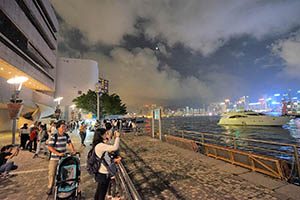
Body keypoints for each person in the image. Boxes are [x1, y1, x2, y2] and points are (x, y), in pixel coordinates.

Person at [47, 120, 76, 195]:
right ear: (58, 128)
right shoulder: (54, 136)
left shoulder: (66, 135)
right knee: (52, 173)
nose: (64, 128)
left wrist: (73, 150)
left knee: (64, 173)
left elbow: (70, 143)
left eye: (65, 126)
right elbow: (49, 147)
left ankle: (62, 186)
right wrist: (58, 153)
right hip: (54, 159)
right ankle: (50, 187)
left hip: (63, 158)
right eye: (63, 127)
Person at [93, 128, 120, 200]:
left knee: (99, 192)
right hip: (103, 173)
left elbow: (109, 148)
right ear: (101, 135)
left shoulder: (99, 144)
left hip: (101, 172)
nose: (107, 134)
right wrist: (117, 137)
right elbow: (115, 147)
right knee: (102, 193)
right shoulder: (101, 145)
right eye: (105, 133)